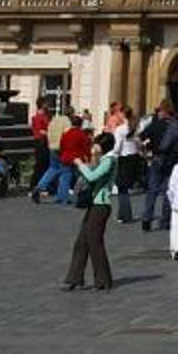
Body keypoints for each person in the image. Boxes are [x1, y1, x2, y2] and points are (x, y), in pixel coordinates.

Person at [60, 123, 119, 293]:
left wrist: (80, 164)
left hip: (101, 205)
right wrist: (91, 159)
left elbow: (92, 177)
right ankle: (74, 278)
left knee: (94, 242)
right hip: (94, 204)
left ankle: (103, 280)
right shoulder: (101, 159)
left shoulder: (109, 161)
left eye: (97, 144)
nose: (94, 146)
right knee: (81, 242)